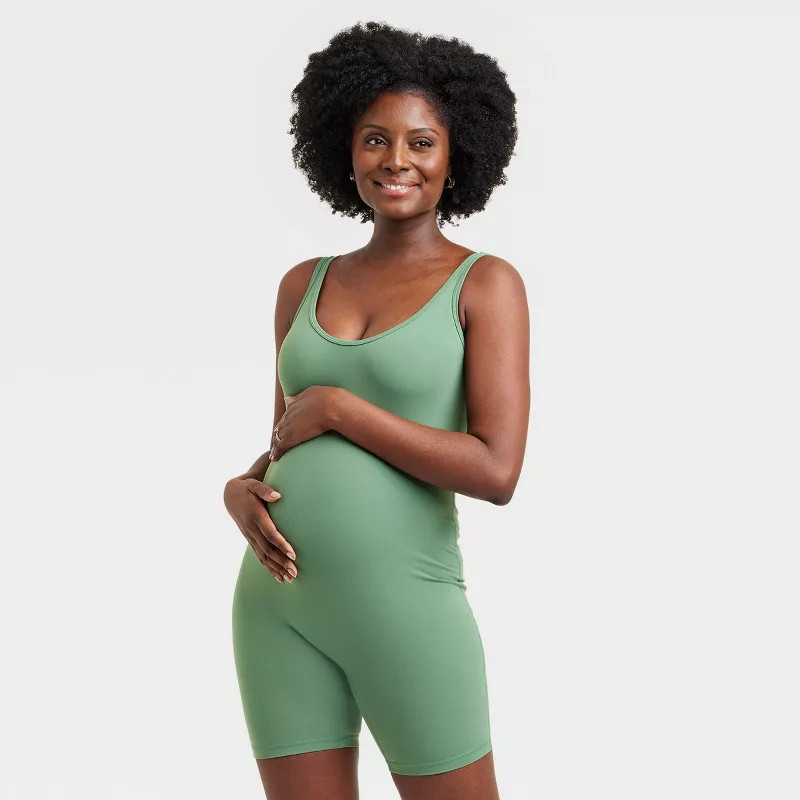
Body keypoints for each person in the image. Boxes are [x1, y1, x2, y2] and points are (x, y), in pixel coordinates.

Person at [223, 21, 529, 800]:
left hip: (407, 605)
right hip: (277, 604)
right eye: (374, 140)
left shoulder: (485, 284)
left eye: (422, 142)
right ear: (343, 150)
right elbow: (286, 439)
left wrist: (343, 409)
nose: (396, 160)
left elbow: (496, 470)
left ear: (457, 156)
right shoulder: (303, 284)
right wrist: (240, 488)